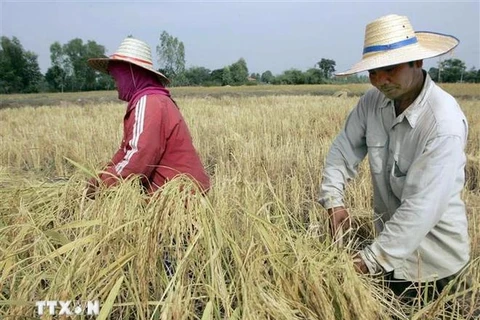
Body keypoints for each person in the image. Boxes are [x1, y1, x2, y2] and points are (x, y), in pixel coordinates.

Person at [318, 14, 475, 308]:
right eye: (373, 73)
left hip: (435, 268)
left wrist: (366, 262)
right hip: (390, 259)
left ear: (418, 63)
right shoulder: (372, 102)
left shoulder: (443, 125)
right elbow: (343, 149)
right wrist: (333, 200)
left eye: (389, 69)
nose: (380, 81)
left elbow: (420, 210)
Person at [85, 37, 210, 197]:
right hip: (182, 191)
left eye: (117, 78)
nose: (116, 85)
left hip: (177, 196)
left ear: (131, 74)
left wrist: (102, 185)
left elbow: (138, 158)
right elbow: (126, 149)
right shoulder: (155, 99)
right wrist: (102, 174)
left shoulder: (149, 102)